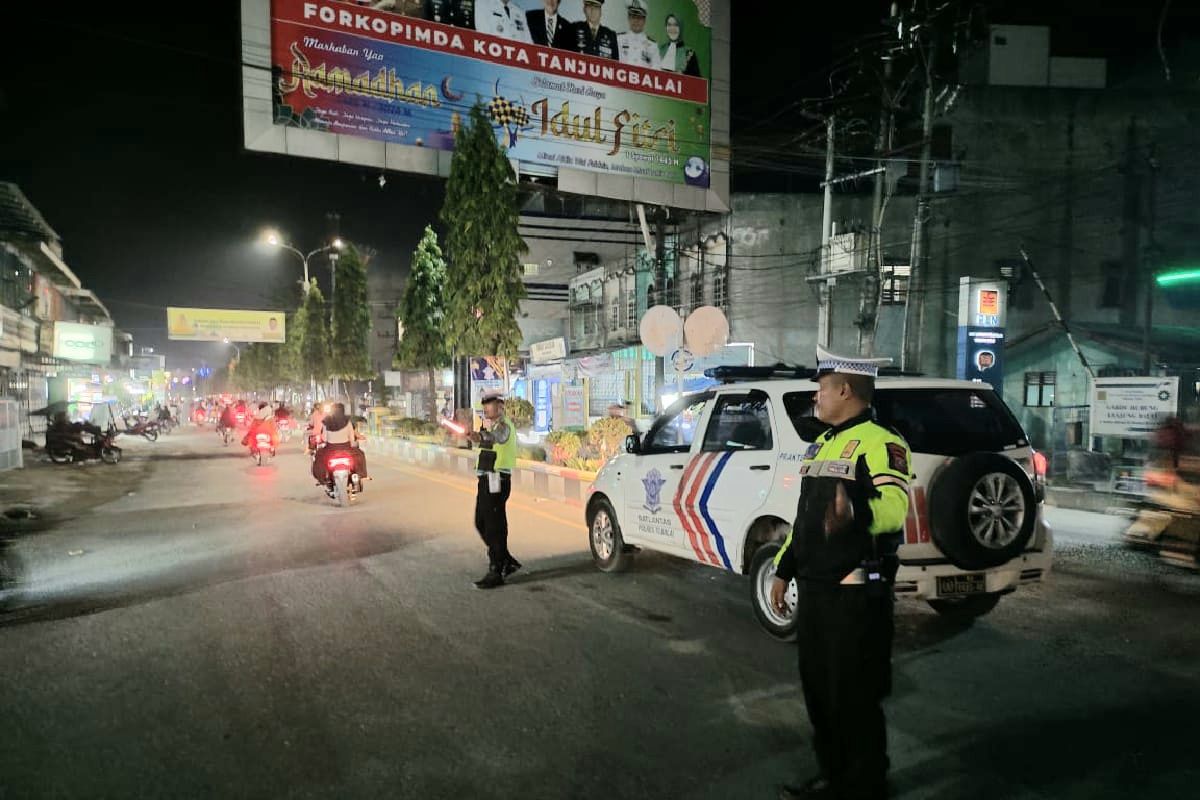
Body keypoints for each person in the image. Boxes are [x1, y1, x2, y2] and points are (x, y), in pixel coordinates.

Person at [770, 345, 913, 800]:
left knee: (854, 695)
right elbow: (804, 520)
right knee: (819, 692)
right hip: (814, 590)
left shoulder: (882, 442)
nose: (817, 397)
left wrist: (855, 510)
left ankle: (866, 784)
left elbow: (895, 509)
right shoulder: (821, 446)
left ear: (845, 390)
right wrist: (782, 568)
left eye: (822, 389)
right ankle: (834, 776)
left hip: (854, 593)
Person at [468, 390, 521, 589]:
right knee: (481, 521)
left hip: (497, 479)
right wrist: (478, 436)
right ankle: (505, 559)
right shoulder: (494, 426)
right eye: (485, 405)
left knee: (494, 525)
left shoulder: (504, 426)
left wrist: (479, 436)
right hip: (486, 479)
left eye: (490, 404)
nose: (486, 408)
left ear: (500, 406)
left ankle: (496, 569)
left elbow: (496, 438)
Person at [312, 402, 368, 483]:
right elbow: (352, 438)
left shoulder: (326, 421)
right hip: (346, 449)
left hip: (330, 449)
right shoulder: (347, 422)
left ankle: (323, 479)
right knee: (360, 454)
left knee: (318, 456)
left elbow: (324, 438)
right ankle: (361, 475)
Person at [617, 0, 656, 67]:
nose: (636, 21)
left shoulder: (652, 45)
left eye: (639, 18)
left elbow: (657, 71)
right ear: (628, 18)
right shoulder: (618, 39)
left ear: (644, 20)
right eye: (633, 17)